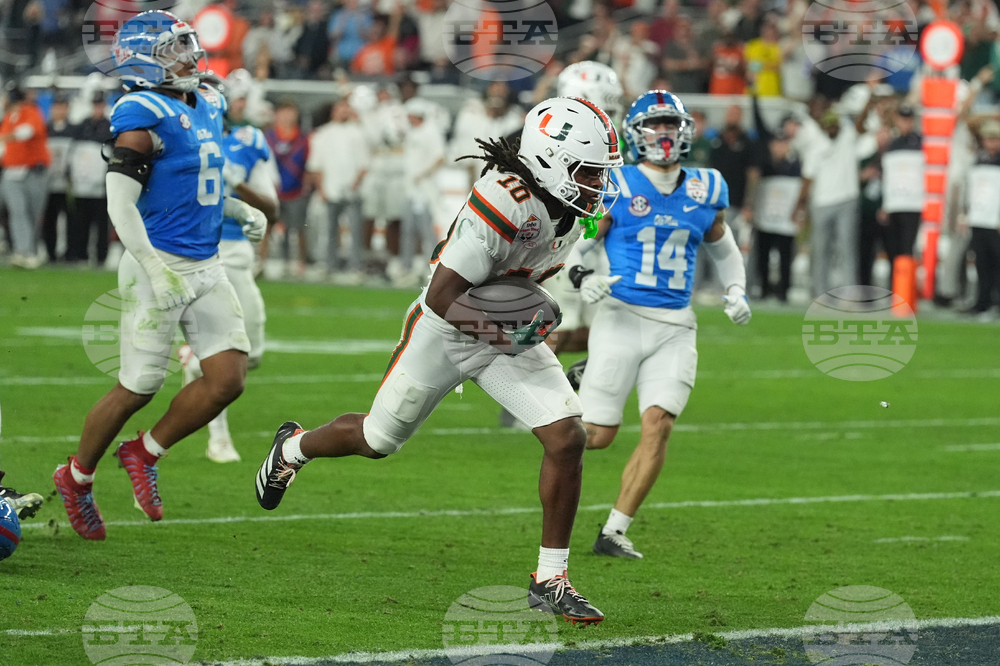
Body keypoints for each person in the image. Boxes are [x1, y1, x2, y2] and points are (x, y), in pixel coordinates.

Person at [253, 97, 624, 624]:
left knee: (567, 437)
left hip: (499, 332)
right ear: (550, 161)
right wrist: (507, 333)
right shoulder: (505, 198)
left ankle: (550, 580)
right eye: (587, 171)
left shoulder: (573, 210)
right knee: (377, 440)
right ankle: (293, 448)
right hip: (446, 328)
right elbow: (443, 295)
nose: (596, 184)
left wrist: (520, 326)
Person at [51, 11, 267, 541]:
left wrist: (237, 209)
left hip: (206, 262)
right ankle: (76, 478)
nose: (190, 56)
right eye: (175, 48)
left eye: (188, 44)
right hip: (156, 263)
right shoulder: (140, 115)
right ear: (144, 60)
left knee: (227, 380)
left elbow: (195, 184)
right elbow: (120, 206)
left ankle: (144, 452)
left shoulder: (208, 101)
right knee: (139, 386)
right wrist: (155, 269)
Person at [564, 90, 751, 560]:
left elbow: (724, 248)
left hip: (675, 326)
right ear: (636, 133)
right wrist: (584, 277)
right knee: (597, 437)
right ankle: (555, 392)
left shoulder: (706, 187)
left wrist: (736, 290)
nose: (663, 133)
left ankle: (614, 531)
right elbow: (577, 246)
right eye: (654, 124)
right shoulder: (618, 185)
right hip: (621, 318)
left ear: (685, 131)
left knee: (659, 424)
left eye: (670, 124)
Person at [179, 68, 279, 463]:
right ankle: (218, 439)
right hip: (195, 253)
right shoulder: (180, 135)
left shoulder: (248, 139)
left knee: (251, 353)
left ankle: (193, 363)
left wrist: (237, 185)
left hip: (238, 256)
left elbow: (272, 208)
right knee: (219, 354)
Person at [794, 99, 871, 297]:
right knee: (820, 250)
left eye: (834, 124)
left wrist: (869, 99)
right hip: (821, 203)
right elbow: (808, 179)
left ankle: (850, 293)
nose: (832, 128)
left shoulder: (848, 137)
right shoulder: (815, 146)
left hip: (847, 199)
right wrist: (799, 205)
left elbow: (861, 122)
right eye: (828, 125)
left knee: (847, 249)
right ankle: (821, 292)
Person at [307, 97, 371, 281]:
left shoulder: (358, 133)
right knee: (330, 231)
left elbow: (364, 164)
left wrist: (356, 184)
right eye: (340, 108)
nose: (343, 112)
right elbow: (316, 165)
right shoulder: (323, 134)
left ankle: (355, 267)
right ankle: (330, 265)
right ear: (334, 111)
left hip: (353, 190)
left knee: (355, 231)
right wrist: (321, 188)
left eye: (346, 108)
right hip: (331, 189)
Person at [0, 82, 50, 269]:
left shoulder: (30, 112)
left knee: (33, 215)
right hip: (12, 173)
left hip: (33, 172)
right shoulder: (8, 118)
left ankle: (31, 250)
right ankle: (24, 251)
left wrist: (7, 138)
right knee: (18, 212)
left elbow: (26, 132)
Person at [396, 97, 445, 285]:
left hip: (425, 191)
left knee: (427, 231)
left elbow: (439, 158)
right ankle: (406, 267)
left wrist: (422, 175)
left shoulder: (431, 131)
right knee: (408, 229)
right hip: (411, 190)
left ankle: (434, 267)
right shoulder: (412, 132)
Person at [263, 100, 311, 276]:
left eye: (290, 112)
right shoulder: (267, 138)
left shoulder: (303, 139)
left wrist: (307, 184)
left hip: (296, 191)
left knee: (299, 228)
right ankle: (265, 262)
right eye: (283, 112)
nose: (287, 117)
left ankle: (300, 263)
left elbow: (309, 163)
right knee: (268, 228)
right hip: (272, 192)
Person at [66, 91, 114, 266]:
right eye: (95, 105)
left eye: (100, 105)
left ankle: (101, 256)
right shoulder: (82, 126)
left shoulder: (110, 127)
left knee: (101, 223)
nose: (97, 109)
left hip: (101, 184)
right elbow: (73, 152)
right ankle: (81, 254)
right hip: (82, 182)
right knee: (81, 222)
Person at [879, 104, 924, 287]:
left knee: (907, 249)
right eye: (902, 119)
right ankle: (895, 288)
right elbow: (888, 178)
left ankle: (905, 289)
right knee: (892, 249)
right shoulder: (892, 144)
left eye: (908, 119)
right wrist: (885, 205)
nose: (905, 123)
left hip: (913, 204)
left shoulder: (921, 143)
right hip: (894, 204)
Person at [965, 118, 1000, 314]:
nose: (991, 143)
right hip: (979, 217)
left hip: (995, 220)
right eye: (988, 139)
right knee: (982, 262)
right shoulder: (978, 159)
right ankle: (982, 301)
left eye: (995, 139)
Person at [41, 91, 74, 263]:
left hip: (67, 183)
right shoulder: (45, 129)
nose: (59, 111)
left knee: (70, 218)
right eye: (56, 107)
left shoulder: (74, 130)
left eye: (62, 107)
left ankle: (70, 252)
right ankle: (50, 252)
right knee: (49, 219)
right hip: (47, 181)